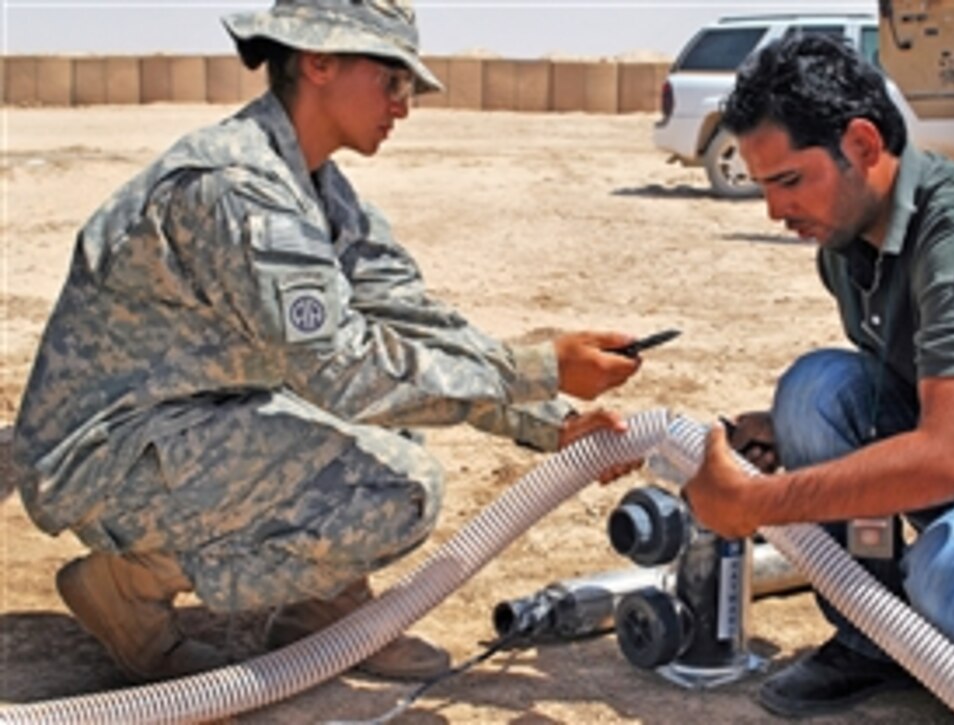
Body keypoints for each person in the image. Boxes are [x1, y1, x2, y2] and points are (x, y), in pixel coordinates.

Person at [11, 0, 643, 685]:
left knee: (399, 427)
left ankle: (325, 615)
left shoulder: (316, 188)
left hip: (183, 417)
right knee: (396, 485)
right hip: (104, 456)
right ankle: (127, 585)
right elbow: (346, 372)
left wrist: (552, 422)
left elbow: (411, 323)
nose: (403, 106)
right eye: (393, 80)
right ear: (318, 62)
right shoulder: (238, 190)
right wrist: (541, 369)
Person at [682, 33, 954, 718]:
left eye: (788, 180)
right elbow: (895, 385)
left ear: (864, 146)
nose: (775, 211)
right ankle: (870, 636)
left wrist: (755, 507)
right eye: (762, 186)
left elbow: (952, 457)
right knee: (814, 392)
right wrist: (773, 430)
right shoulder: (850, 240)